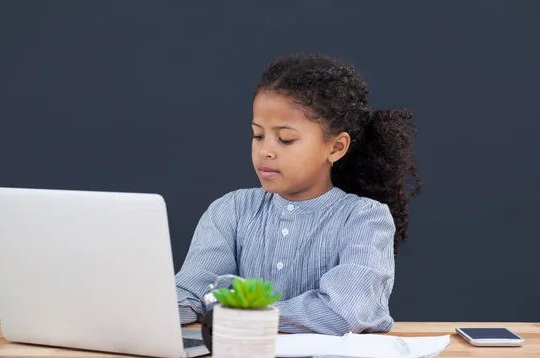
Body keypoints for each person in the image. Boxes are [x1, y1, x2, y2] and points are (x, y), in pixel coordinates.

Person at [175, 53, 421, 336]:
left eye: (286, 139)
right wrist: (146, 309)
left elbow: (343, 312)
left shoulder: (365, 218)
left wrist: (239, 314)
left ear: (336, 148)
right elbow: (191, 290)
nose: (266, 150)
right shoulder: (231, 210)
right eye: (258, 135)